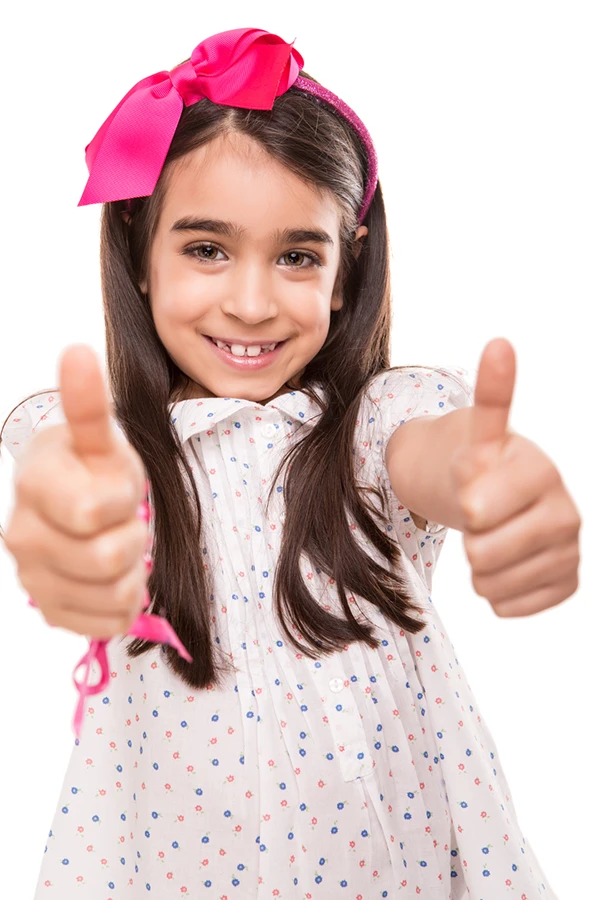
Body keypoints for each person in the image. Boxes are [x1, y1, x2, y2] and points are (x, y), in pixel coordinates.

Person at [0, 27, 578, 899]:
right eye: (206, 249)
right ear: (141, 253)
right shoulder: (108, 445)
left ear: (345, 274)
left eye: (297, 256)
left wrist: (489, 482)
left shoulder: (370, 431)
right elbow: (69, 472)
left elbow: (437, 454)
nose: (251, 300)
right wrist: (70, 509)